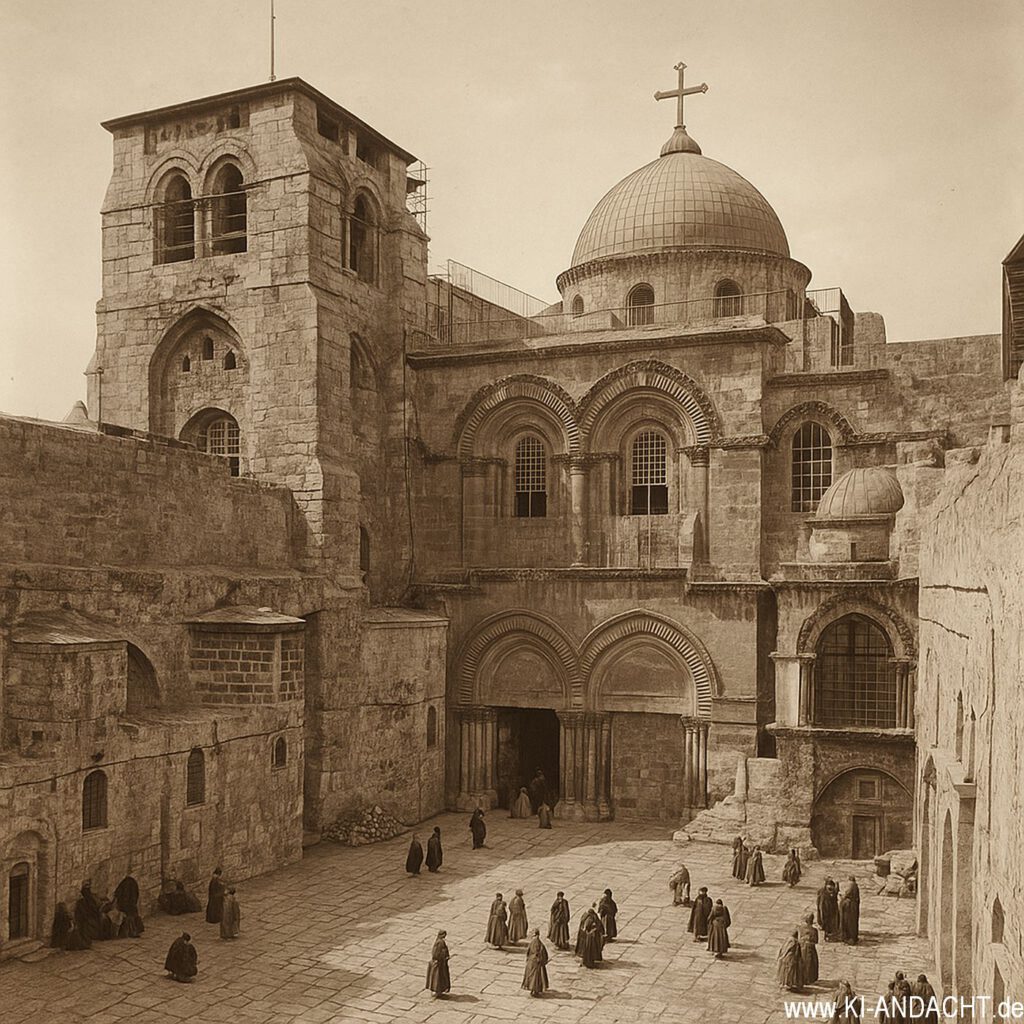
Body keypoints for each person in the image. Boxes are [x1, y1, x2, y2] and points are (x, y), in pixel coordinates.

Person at [113, 872, 144, 938]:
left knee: (130, 914)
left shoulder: (128, 884)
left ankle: (132, 930)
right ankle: (132, 931)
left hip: (128, 905)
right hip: (128, 905)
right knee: (130, 914)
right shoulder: (130, 883)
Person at [522, 928, 550, 997]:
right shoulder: (540, 944)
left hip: (532, 962)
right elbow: (544, 954)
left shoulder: (532, 943)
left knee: (533, 977)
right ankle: (535, 990)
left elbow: (528, 952)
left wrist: (528, 959)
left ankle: (533, 990)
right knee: (536, 977)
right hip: (536, 962)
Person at [426, 930, 451, 998]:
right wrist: (444, 957)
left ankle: (439, 991)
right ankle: (438, 991)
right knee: (439, 977)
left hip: (440, 962)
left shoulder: (439, 941)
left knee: (439, 977)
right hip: (440, 963)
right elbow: (437, 953)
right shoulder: (440, 942)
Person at [797, 913, 819, 985]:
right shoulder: (814, 930)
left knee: (804, 962)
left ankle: (804, 978)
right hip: (810, 948)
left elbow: (799, 939)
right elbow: (816, 941)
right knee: (811, 963)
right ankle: (810, 979)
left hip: (803, 947)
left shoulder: (801, 929)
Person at [839, 876, 860, 945]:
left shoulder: (852, 885)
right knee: (853, 922)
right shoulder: (855, 886)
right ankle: (852, 937)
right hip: (853, 907)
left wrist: (842, 897)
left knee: (849, 922)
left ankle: (850, 937)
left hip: (850, 908)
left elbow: (847, 894)